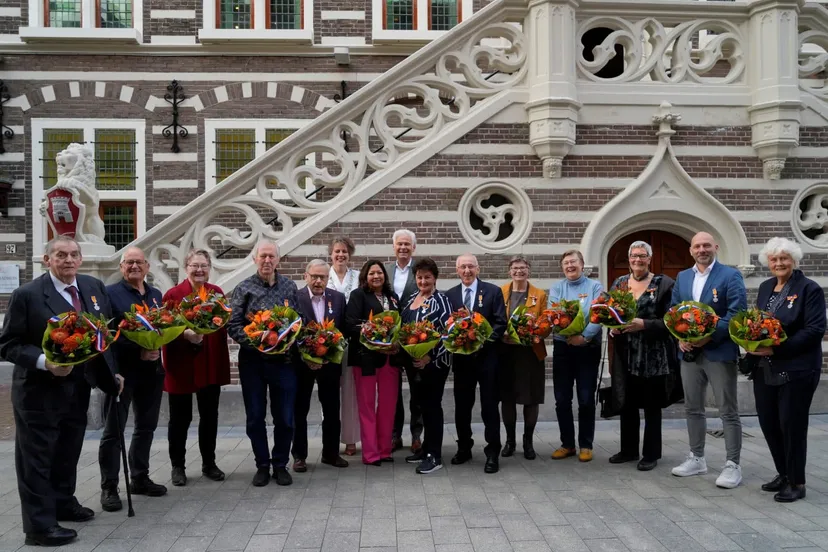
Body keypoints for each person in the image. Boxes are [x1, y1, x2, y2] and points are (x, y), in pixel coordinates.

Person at [0, 236, 120, 547]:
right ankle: (39, 527)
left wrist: (112, 373)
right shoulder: (27, 295)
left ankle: (63, 502)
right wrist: (45, 362)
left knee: (68, 451)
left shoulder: (92, 288)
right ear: (47, 259)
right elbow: (8, 345)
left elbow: (101, 335)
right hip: (38, 393)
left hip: (77, 389)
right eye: (60, 255)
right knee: (36, 459)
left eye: (73, 255)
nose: (68, 260)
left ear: (80, 259)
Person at [746, 237, 825, 502]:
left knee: (791, 425)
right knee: (769, 423)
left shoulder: (809, 289)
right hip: (765, 367)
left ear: (794, 260)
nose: (779, 263)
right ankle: (783, 472)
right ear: (768, 262)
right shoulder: (767, 286)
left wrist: (777, 349)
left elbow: (814, 330)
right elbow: (759, 323)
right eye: (774, 259)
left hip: (797, 369)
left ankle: (797, 482)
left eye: (784, 258)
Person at [670, 231, 747, 489]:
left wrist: (709, 336)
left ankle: (733, 464)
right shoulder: (682, 277)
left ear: (715, 246)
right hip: (689, 353)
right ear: (691, 250)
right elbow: (674, 312)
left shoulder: (730, 275)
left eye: (706, 245)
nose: (702, 249)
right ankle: (697, 458)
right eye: (697, 246)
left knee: (727, 410)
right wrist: (678, 337)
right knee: (693, 407)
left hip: (718, 352)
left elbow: (737, 313)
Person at [100, 247, 168, 513]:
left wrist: (157, 345)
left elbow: (161, 328)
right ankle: (109, 487)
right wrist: (136, 350)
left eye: (139, 262)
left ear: (147, 266)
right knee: (113, 431)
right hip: (123, 373)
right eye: (129, 262)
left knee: (146, 427)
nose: (134, 267)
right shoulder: (110, 294)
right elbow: (107, 336)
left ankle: (139, 477)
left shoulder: (155, 295)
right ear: (121, 267)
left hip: (152, 372)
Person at [227, 240, 299, 487]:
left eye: (272, 257)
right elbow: (233, 324)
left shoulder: (290, 287)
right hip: (253, 363)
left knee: (285, 417)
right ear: (254, 259)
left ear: (278, 260)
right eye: (263, 256)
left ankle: (280, 464)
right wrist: (259, 342)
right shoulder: (244, 288)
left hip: (283, 362)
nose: (267, 261)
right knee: (255, 417)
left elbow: (298, 322)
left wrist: (288, 341)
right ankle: (262, 464)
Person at [607, 241, 680, 471]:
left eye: (642, 256)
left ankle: (651, 453)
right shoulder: (619, 283)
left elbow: (672, 321)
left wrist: (645, 324)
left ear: (650, 258)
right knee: (627, 402)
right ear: (628, 259)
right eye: (633, 256)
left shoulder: (664, 284)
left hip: (653, 356)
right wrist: (612, 326)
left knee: (651, 406)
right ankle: (628, 450)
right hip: (626, 353)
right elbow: (611, 312)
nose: (637, 260)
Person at [162, 249, 231, 487]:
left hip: (208, 361)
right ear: (186, 267)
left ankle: (209, 463)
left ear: (209, 268)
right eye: (194, 266)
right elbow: (164, 327)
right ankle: (177, 466)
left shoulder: (216, 293)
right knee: (180, 418)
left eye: (203, 265)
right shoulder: (173, 294)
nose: (199, 270)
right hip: (182, 363)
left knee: (209, 416)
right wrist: (185, 334)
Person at [446, 254, 508, 474]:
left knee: (489, 406)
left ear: (478, 269)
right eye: (462, 267)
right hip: (462, 360)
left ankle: (492, 452)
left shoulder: (493, 291)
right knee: (462, 406)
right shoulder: (450, 295)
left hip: (487, 359)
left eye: (470, 266)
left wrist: (483, 340)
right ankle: (464, 447)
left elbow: (501, 322)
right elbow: (447, 326)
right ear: (457, 270)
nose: (467, 270)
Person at [292, 259, 349, 472]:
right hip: (302, 364)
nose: (318, 281)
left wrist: (329, 353)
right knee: (300, 409)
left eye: (322, 277)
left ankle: (331, 454)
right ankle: (299, 456)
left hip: (329, 365)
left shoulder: (339, 299)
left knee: (332, 409)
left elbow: (342, 332)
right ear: (306, 276)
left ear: (328, 278)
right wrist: (306, 355)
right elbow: (290, 331)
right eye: (314, 276)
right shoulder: (294, 299)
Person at [345, 260, 402, 466]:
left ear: (385, 276)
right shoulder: (358, 296)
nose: (376, 276)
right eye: (371, 273)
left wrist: (395, 341)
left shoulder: (393, 298)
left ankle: (385, 450)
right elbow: (350, 323)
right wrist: (374, 333)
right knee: (367, 406)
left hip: (390, 358)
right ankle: (370, 454)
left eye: (379, 273)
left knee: (388, 406)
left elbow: (400, 323)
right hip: (366, 359)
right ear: (365, 276)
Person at [548, 249, 603, 462]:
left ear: (582, 265)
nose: (570, 266)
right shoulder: (557, 288)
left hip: (587, 348)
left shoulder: (594, 286)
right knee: (562, 399)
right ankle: (567, 444)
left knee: (586, 398)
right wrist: (566, 333)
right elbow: (554, 314)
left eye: (574, 262)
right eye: (566, 263)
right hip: (563, 348)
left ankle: (586, 444)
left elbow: (598, 313)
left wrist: (585, 336)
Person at [401, 258, 453, 474]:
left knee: (432, 407)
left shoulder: (441, 300)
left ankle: (435, 455)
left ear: (435, 278)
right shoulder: (412, 298)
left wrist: (428, 358)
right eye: (420, 277)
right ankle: (425, 449)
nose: (423, 281)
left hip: (434, 364)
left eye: (427, 277)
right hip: (414, 364)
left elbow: (448, 333)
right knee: (420, 405)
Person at [499, 255, 548, 460]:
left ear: (529, 270)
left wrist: (533, 334)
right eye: (515, 268)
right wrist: (502, 334)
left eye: (523, 268)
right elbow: (494, 318)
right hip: (507, 353)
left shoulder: (540, 294)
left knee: (531, 399)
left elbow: (546, 323)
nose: (519, 271)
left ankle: (528, 442)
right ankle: (510, 441)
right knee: (508, 398)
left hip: (531, 353)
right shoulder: (500, 292)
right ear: (509, 271)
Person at [386, 229, 421, 453]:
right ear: (394, 247)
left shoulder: (420, 270)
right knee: (393, 390)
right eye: (399, 244)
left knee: (417, 387)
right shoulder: (385, 271)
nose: (403, 248)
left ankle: (416, 435)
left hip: (415, 337)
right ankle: (395, 434)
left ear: (413, 248)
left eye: (407, 244)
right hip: (390, 341)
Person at [327, 236, 360, 457]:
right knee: (329, 392)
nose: (341, 255)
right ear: (331, 254)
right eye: (337, 251)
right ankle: (330, 439)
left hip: (351, 343)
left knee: (350, 392)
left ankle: (350, 439)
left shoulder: (358, 277)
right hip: (327, 344)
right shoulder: (322, 274)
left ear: (350, 254)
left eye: (344, 251)